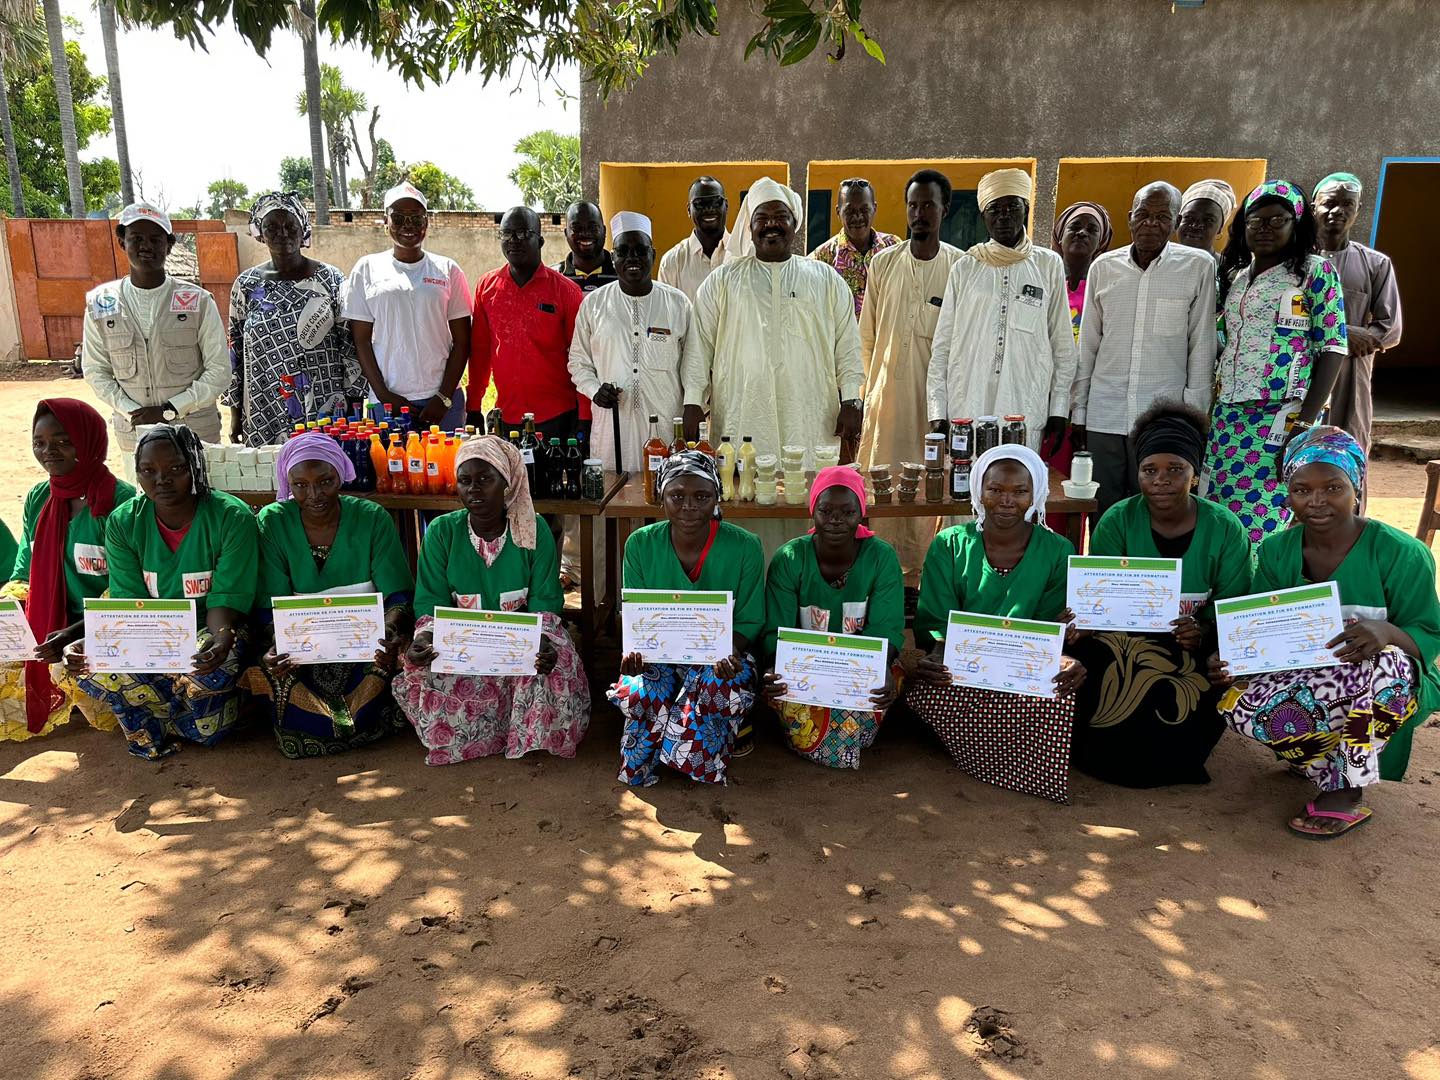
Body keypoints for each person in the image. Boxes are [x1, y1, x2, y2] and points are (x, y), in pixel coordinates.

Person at [1211, 427, 1440, 839]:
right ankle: (1317, 762)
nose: (1316, 501)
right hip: (1312, 674)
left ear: (1356, 487)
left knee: (1384, 665)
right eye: (1302, 490)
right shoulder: (1277, 551)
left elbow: (1427, 632)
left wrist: (1387, 632)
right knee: (1239, 699)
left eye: (1333, 487)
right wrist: (1233, 659)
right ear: (1288, 494)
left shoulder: (1402, 553)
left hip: (1390, 683)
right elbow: (1259, 628)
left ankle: (1346, 788)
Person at [1069, 401, 1251, 787]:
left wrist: (1203, 630)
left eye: (1175, 469)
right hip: (1123, 637)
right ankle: (1100, 757)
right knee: (1098, 662)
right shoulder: (1117, 520)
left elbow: (1233, 608)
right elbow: (1100, 601)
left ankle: (1175, 762)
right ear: (1138, 474)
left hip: (1193, 642)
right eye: (1149, 470)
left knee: (1209, 672)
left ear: (1195, 475)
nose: (1161, 480)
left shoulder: (1225, 529)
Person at [65, 425, 258, 761]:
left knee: (207, 675)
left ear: (195, 466)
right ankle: (155, 725)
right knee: (89, 666)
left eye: (176, 468)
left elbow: (226, 598)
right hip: (150, 629)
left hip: (212, 625)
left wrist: (221, 638)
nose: (162, 480)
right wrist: (95, 640)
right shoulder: (125, 522)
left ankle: (214, 712)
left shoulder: (231, 517)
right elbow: (129, 603)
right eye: (148, 471)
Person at [393, 436, 589, 765]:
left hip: (521, 640)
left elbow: (545, 599)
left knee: (553, 665)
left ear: (507, 483)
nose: (474, 489)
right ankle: (482, 735)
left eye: (486, 479)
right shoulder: (441, 532)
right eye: (465, 480)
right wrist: (425, 637)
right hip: (464, 643)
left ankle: (528, 732)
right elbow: (430, 600)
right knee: (426, 668)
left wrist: (541, 641)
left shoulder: (533, 530)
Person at [906, 444, 1085, 803]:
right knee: (931, 691)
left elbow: (1048, 627)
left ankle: (980, 752)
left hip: (1022, 667)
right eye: (995, 489)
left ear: (1035, 494)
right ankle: (998, 754)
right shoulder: (950, 544)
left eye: (1020, 491)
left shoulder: (1058, 550)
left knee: (1058, 693)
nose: (1006, 501)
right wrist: (940, 654)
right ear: (979, 490)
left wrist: (1059, 652)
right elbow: (936, 620)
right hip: (963, 665)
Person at [244, 433, 413, 758]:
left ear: (340, 474)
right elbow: (268, 606)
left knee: (393, 660)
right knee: (276, 671)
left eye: (325, 481)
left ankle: (372, 721)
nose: (314, 494)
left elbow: (398, 596)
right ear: (288, 483)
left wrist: (390, 632)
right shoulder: (273, 522)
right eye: (300, 485)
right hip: (303, 644)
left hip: (365, 640)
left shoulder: (371, 518)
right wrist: (277, 644)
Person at [683, 175, 863, 470]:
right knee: (744, 485)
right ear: (749, 227)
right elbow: (699, 347)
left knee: (808, 484)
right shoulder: (722, 281)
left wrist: (852, 398)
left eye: (781, 217)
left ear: (794, 224)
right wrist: (693, 402)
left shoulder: (825, 279)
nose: (771, 224)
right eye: (761, 218)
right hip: (742, 410)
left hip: (810, 413)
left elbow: (847, 344)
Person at [610, 451, 764, 785]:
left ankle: (692, 758)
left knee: (720, 682)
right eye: (677, 496)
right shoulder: (640, 545)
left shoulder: (745, 546)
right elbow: (636, 618)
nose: (689, 506)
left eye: (702, 497)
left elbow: (750, 618)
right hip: (659, 654)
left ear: (716, 498)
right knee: (643, 687)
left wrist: (730, 650)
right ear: (661, 497)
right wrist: (634, 653)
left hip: (724, 654)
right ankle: (656, 755)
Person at [1207, 180, 1347, 545]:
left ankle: (1257, 581)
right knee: (1217, 508)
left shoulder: (1314, 272)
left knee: (1263, 516)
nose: (1264, 229)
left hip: (1280, 415)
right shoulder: (1236, 276)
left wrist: (1303, 425)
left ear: (1295, 224)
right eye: (1255, 221)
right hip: (1228, 413)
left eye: (1277, 220)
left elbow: (1333, 348)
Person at [1071, 182, 1218, 514]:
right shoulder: (1103, 267)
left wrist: (1193, 419)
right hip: (1104, 414)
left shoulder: (1197, 266)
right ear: (1130, 218)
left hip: (1163, 415)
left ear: (1176, 222)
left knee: (1158, 508)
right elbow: (1088, 346)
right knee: (1103, 509)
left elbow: (1202, 346)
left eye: (1162, 216)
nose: (1151, 223)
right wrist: (1079, 412)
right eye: (1143, 215)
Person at [0, 400, 133, 742]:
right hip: (49, 622)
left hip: (108, 624)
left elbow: (126, 591)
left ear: (89, 442)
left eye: (63, 441)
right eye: (40, 442)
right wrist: (9, 611)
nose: (49, 451)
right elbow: (24, 574)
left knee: (92, 685)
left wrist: (74, 632)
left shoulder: (120, 503)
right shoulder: (39, 498)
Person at [856, 169, 964, 588]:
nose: (919, 213)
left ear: (945, 209)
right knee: (881, 487)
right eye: (913, 205)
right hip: (886, 403)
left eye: (928, 206)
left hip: (935, 407)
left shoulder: (960, 267)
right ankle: (883, 577)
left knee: (930, 492)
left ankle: (924, 583)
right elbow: (866, 338)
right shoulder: (883, 264)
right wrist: (865, 396)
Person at [760, 466, 904, 769]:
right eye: (825, 510)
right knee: (798, 707)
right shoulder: (790, 558)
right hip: (804, 669)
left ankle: (838, 738)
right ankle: (836, 740)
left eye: (848, 512)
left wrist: (882, 669)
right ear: (813, 510)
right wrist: (775, 666)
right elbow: (777, 628)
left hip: (864, 667)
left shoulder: (881, 557)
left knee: (879, 693)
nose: (836, 519)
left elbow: (887, 627)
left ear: (861, 512)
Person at [926, 168, 1076, 454]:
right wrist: (937, 411)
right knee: (969, 473)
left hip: (1025, 401)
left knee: (1019, 475)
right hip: (968, 399)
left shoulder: (1047, 265)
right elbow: (942, 347)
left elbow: (1063, 346)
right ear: (983, 215)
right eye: (995, 209)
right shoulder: (965, 268)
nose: (1004, 216)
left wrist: (1058, 410)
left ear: (1026, 210)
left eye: (1012, 207)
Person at [83, 201, 229, 452]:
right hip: (135, 433)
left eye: (155, 239)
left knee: (201, 479)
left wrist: (171, 409)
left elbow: (219, 370)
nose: (146, 246)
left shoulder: (198, 301)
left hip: (194, 430)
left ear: (169, 245)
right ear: (122, 243)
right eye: (136, 238)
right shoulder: (101, 304)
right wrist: (134, 412)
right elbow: (96, 371)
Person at [224, 192, 362, 446]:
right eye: (272, 227)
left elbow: (349, 346)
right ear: (260, 232)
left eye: (290, 226)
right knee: (270, 468)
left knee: (324, 466)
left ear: (303, 229)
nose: (283, 234)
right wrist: (235, 414)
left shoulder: (331, 279)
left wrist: (355, 409)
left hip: (325, 405)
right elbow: (235, 352)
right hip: (265, 407)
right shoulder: (246, 285)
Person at [568, 212, 697, 475]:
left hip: (665, 425)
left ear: (653, 254)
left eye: (640, 250)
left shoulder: (678, 303)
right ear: (613, 257)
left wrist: (692, 407)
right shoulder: (594, 305)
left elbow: (694, 363)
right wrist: (595, 390)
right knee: (615, 493)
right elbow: (578, 363)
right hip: (612, 428)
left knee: (665, 489)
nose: (632, 258)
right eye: (623, 252)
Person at [343, 182, 472, 431]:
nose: (408, 225)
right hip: (388, 402)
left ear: (426, 222)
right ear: (386, 221)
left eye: (416, 217)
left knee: (448, 458)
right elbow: (361, 340)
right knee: (389, 459)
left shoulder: (448, 269)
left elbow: (463, 340)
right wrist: (384, 395)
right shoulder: (366, 269)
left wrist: (444, 397)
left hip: (443, 401)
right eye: (399, 217)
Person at [1311, 172, 1402, 463]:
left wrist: (1357, 337)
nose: (1338, 210)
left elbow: (1389, 328)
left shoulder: (1376, 264)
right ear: (1314, 207)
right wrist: (1342, 332)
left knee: (1347, 449)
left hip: (1351, 374)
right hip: (1300, 370)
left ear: (1358, 209)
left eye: (1347, 204)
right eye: (1330, 203)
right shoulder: (1295, 262)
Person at [809, 178, 900, 319]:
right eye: (849, 211)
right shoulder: (822, 257)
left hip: (885, 333)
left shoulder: (894, 247)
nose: (857, 217)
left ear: (874, 208)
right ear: (838, 212)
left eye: (864, 210)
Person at [658, 176, 729, 304]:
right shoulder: (672, 262)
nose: (709, 208)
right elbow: (666, 312)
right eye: (700, 203)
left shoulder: (745, 252)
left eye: (716, 202)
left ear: (726, 206)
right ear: (689, 210)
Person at [1051, 201, 1113, 340]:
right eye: (1075, 227)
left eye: (1092, 230)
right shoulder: (1045, 280)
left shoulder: (1105, 286)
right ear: (1060, 235)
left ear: (1100, 242)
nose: (1082, 233)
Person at [555, 200, 618, 294]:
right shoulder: (553, 278)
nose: (585, 233)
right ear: (566, 233)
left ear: (604, 231)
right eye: (576, 228)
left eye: (592, 227)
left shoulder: (623, 275)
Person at [1176, 179, 1237, 265]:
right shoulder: (1160, 261)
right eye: (1189, 217)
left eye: (1208, 220)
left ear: (1220, 228)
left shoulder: (1228, 269)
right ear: (1178, 220)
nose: (1195, 225)